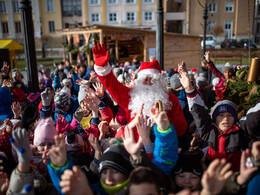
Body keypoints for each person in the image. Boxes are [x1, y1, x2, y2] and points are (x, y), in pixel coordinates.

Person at [92, 43, 187, 141]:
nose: (149, 83)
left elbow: (181, 128)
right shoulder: (130, 95)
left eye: (153, 80)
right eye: (145, 80)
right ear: (140, 81)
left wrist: (163, 121)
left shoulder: (171, 99)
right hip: (135, 147)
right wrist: (102, 67)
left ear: (159, 81)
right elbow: (112, 85)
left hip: (162, 148)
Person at [177, 62, 258, 172]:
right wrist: (189, 88)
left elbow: (255, 116)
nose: (225, 119)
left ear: (235, 118)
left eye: (230, 115)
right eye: (221, 115)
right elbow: (199, 112)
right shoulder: (209, 132)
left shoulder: (241, 131)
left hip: (237, 181)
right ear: (214, 118)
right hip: (212, 183)